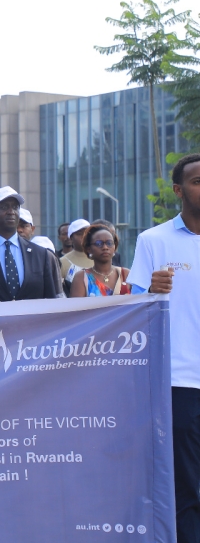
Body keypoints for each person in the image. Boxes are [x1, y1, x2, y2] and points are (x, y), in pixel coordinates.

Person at [127, 153, 200, 541]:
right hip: (181, 382)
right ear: (178, 190)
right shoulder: (154, 240)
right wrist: (152, 290)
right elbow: (135, 308)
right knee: (189, 488)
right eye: (197, 181)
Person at [68, 223, 129, 297]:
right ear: (89, 249)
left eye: (109, 243)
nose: (105, 247)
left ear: (114, 247)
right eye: (99, 243)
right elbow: (76, 307)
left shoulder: (126, 274)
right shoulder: (81, 277)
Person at [59, 219, 93, 295]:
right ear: (71, 238)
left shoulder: (100, 259)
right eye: (80, 234)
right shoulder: (63, 262)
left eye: (87, 233)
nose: (84, 236)